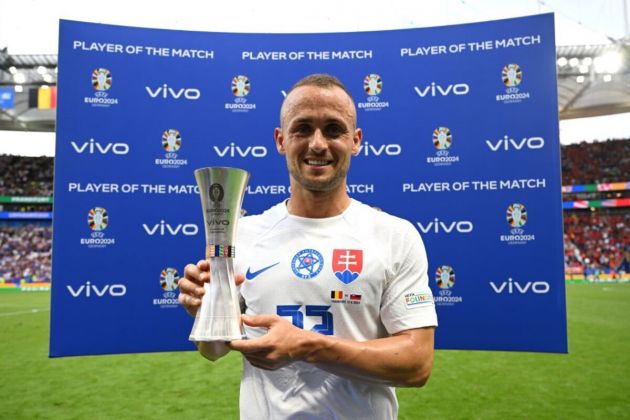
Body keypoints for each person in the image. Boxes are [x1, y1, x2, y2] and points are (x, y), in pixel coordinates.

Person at [178, 73, 437, 419]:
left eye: (333, 129)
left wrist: (308, 346)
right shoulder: (244, 235)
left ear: (356, 140)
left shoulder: (394, 235)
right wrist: (206, 313)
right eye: (302, 129)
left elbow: (416, 364)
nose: (318, 144)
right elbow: (213, 351)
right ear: (280, 140)